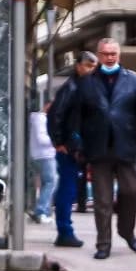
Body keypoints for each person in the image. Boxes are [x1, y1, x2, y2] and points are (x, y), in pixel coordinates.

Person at [66, 38, 136, 259]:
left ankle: (127, 232)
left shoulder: (133, 80)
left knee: (130, 191)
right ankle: (103, 244)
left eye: (113, 53)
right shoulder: (87, 82)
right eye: (105, 54)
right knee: (103, 200)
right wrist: (75, 143)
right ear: (99, 55)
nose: (110, 58)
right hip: (98, 149)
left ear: (119, 55)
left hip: (125, 147)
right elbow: (76, 117)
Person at [47, 51, 98, 247]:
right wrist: (59, 141)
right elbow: (56, 114)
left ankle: (65, 230)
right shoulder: (72, 88)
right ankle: (64, 231)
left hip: (76, 147)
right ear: (78, 66)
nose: (91, 70)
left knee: (70, 188)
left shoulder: (83, 87)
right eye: (88, 65)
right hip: (68, 148)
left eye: (94, 66)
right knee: (67, 188)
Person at [28, 105, 56, 223]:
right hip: (45, 155)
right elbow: (41, 139)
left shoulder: (39, 119)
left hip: (43, 154)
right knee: (50, 182)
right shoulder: (40, 119)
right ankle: (41, 211)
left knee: (48, 183)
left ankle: (44, 211)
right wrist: (56, 140)